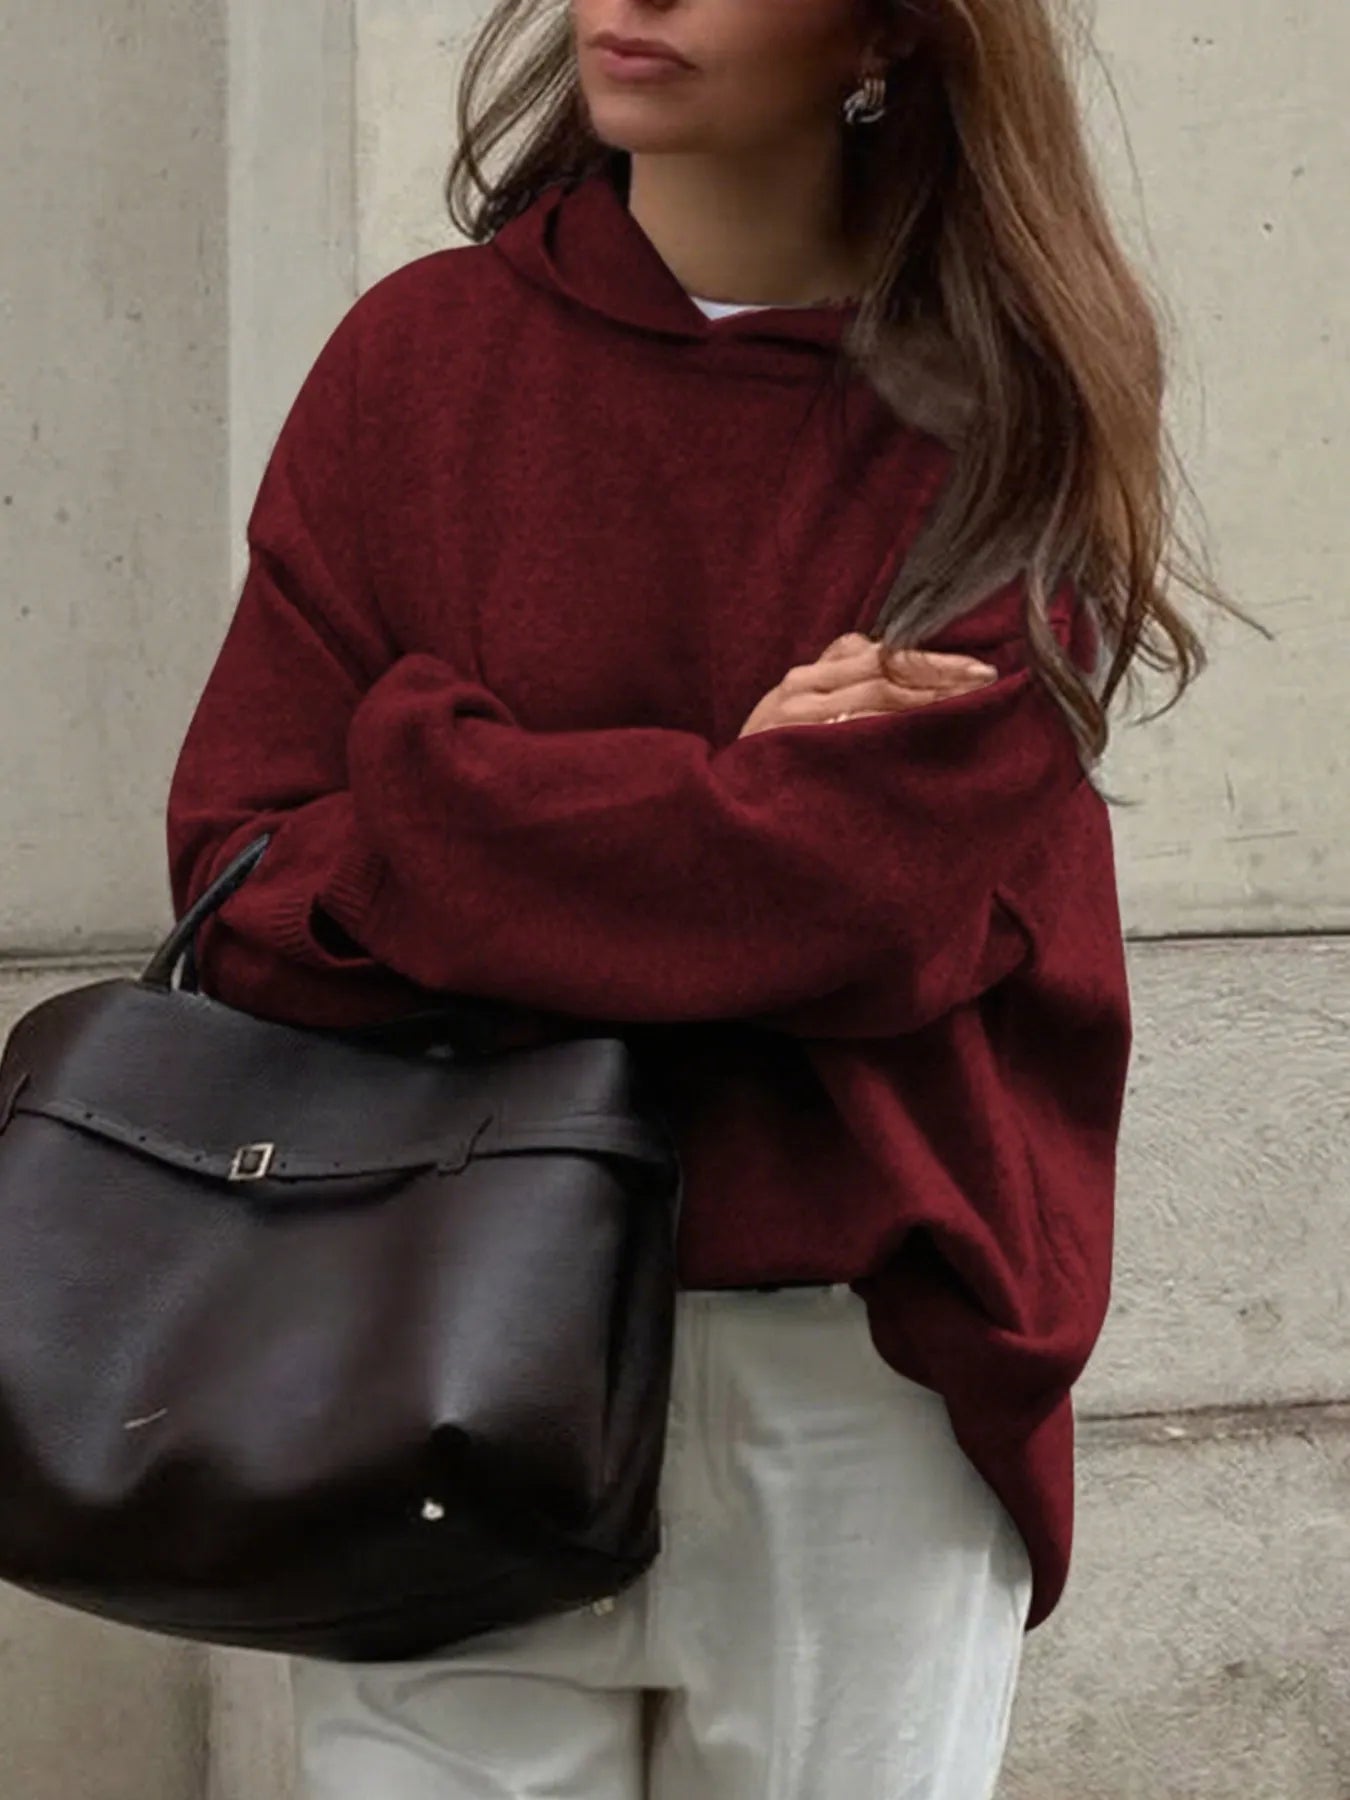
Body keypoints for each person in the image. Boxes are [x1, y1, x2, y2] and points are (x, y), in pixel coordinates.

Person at [165, 1, 1230, 1794]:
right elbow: (250, 869)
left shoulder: (1010, 399)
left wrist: (429, 779)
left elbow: (869, 893)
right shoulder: (416, 363)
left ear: (886, 31)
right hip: (424, 1326)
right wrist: (724, 789)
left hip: (854, 1358)